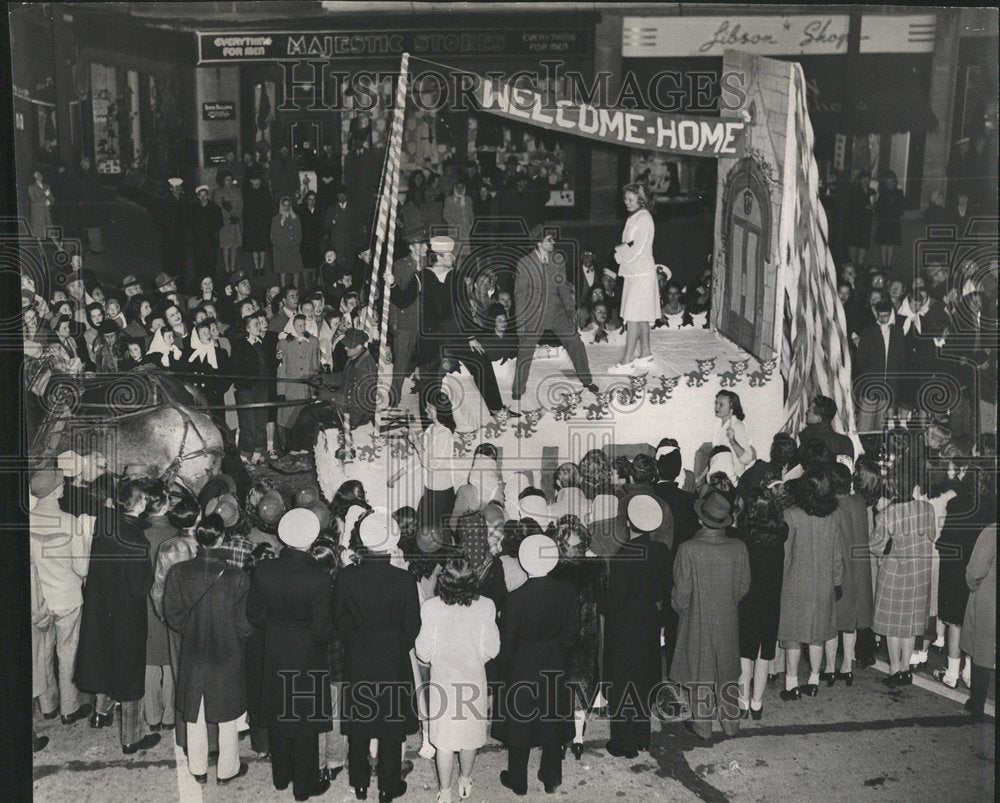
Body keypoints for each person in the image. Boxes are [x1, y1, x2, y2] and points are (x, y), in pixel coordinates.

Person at [334, 510, 421, 803]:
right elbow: (413, 627)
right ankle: (388, 785)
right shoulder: (404, 580)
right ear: (393, 540)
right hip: (392, 657)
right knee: (390, 724)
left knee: (359, 722)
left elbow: (340, 620)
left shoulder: (346, 577)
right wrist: (395, 643)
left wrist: (356, 641)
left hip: (358, 655)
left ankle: (359, 784)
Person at [248, 509, 335, 801]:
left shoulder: (264, 570)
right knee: (305, 722)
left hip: (274, 648)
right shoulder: (319, 578)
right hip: (307, 654)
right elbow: (323, 631)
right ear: (311, 539)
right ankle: (304, 786)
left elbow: (254, 613)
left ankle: (281, 777)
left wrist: (276, 626)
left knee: (278, 713)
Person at [164, 513, 253, 785]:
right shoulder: (237, 576)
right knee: (227, 716)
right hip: (227, 652)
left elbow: (172, 614)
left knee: (195, 711)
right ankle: (227, 770)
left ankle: (198, 767)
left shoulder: (178, 572)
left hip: (194, 649)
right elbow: (244, 624)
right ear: (222, 538)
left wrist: (192, 630)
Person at [74, 480, 161, 754]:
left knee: (105, 658)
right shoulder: (136, 540)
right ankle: (131, 739)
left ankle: (101, 713)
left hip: (101, 608)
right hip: (126, 615)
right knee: (129, 673)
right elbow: (139, 587)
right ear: (140, 504)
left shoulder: (105, 523)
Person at [495, 533, 579, 796]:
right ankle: (551, 777)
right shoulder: (568, 591)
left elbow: (507, 642)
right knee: (552, 719)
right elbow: (571, 634)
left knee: (520, 722)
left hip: (523, 663)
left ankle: (518, 780)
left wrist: (505, 667)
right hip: (555, 660)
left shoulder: (515, 598)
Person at [415, 558, 501, 803]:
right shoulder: (486, 606)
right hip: (474, 678)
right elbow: (493, 648)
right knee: (470, 735)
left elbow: (423, 652)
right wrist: (476, 658)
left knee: (443, 740)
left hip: (443, 681)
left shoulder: (431, 608)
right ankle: (465, 779)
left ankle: (444, 792)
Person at [672, 488, 750, 737]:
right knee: (727, 670)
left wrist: (679, 607)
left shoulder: (688, 549)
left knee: (700, 670)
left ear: (700, 519)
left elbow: (681, 593)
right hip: (728, 618)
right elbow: (743, 585)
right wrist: (727, 602)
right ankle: (731, 724)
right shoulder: (738, 547)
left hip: (697, 618)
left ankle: (702, 726)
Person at [599, 494, 670, 757]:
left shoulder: (623, 555)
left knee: (622, 683)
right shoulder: (661, 551)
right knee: (642, 680)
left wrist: (600, 598)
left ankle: (623, 743)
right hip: (649, 622)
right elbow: (663, 587)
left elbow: (613, 601)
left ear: (628, 522)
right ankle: (642, 736)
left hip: (624, 627)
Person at [29, 469, 94, 725]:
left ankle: (48, 705)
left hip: (39, 601)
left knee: (42, 653)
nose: (64, 486)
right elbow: (83, 568)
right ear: (55, 491)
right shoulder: (70, 522)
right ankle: (69, 708)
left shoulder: (25, 520)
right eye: (61, 484)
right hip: (67, 598)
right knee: (67, 653)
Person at [776, 470, 844, 701]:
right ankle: (814, 680)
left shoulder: (790, 515)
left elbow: (784, 554)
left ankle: (792, 684)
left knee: (793, 636)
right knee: (818, 634)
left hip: (795, 583)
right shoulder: (833, 515)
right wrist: (837, 581)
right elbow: (837, 553)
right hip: (824, 583)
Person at [511, 226, 597, 401]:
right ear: (539, 241)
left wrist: (569, 310)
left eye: (553, 239)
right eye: (550, 239)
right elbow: (520, 297)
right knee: (526, 350)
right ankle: (518, 389)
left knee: (575, 341)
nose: (553, 242)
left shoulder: (557, 260)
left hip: (556, 311)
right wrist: (521, 324)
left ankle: (587, 380)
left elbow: (563, 288)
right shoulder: (524, 264)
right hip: (534, 314)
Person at [869, 483, 938, 687]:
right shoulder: (928, 508)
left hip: (895, 574)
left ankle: (894, 670)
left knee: (892, 626)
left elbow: (875, 546)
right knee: (909, 625)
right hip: (919, 574)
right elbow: (932, 535)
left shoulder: (887, 514)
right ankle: (906, 669)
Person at [549, 516, 601, 760]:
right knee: (581, 686)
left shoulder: (552, 570)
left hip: (559, 638)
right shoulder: (595, 568)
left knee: (560, 688)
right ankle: (579, 739)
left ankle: (559, 740)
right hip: (586, 636)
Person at [734, 487, 786, 720]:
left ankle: (742, 702)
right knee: (765, 653)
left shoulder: (742, 534)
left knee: (745, 652)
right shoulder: (781, 531)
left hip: (747, 598)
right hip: (771, 599)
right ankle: (757, 704)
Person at [822, 463, 874, 687]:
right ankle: (847, 667)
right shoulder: (860, 502)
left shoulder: (832, 507)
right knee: (851, 620)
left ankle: (829, 668)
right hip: (860, 568)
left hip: (841, 567)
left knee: (833, 620)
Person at [140, 482, 177, 735]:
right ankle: (170, 716)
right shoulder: (177, 533)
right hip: (169, 605)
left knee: (149, 662)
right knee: (171, 661)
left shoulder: (137, 533)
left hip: (144, 606)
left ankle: (151, 716)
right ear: (165, 504)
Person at [610, 183, 659, 373]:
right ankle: (645, 354)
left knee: (632, 317)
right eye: (625, 199)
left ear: (641, 199)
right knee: (641, 316)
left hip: (641, 273)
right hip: (635, 272)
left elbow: (636, 248)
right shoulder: (635, 216)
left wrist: (618, 255)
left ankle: (626, 360)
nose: (626, 203)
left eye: (631, 199)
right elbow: (628, 243)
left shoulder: (644, 218)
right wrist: (621, 252)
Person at [960, 525, 996, 723]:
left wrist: (973, 587)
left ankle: (977, 703)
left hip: (990, 599)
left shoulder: (992, 531)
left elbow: (975, 571)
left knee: (982, 651)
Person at [388, 227, 427, 405]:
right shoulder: (401, 265)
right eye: (422, 244)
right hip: (405, 322)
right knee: (401, 364)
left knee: (426, 360)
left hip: (424, 323)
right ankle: (393, 398)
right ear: (412, 247)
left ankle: (421, 395)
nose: (426, 247)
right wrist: (393, 323)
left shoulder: (428, 264)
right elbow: (395, 298)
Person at [854, 300, 906, 431]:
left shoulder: (897, 332)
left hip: (889, 384)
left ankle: (876, 449)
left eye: (886, 315)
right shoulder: (869, 331)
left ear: (891, 314)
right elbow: (861, 358)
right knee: (865, 421)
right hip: (871, 383)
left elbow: (902, 358)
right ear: (876, 315)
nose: (883, 319)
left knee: (880, 423)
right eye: (880, 315)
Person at [230, 311, 270, 465]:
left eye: (260, 324)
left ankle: (257, 454)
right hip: (247, 391)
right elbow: (235, 368)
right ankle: (244, 455)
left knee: (261, 423)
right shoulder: (240, 345)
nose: (259, 327)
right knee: (249, 424)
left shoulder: (261, 344)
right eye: (255, 324)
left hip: (262, 389)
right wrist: (244, 386)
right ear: (247, 328)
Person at [798, 395, 854, 464]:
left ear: (819, 417)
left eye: (810, 410)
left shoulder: (809, 439)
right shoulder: (846, 442)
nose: (806, 412)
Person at [712, 390, 755, 478]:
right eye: (716, 403)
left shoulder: (738, 426)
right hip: (719, 479)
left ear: (732, 406)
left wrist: (733, 441)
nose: (716, 407)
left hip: (734, 480)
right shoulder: (718, 428)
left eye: (721, 404)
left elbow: (747, 459)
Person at [242, 167, 273, 276]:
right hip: (252, 222)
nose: (256, 182)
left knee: (263, 245)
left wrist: (267, 219)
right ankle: (256, 267)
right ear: (250, 181)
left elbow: (269, 206)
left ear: (260, 180)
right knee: (254, 246)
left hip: (263, 222)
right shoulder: (247, 192)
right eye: (253, 180)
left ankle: (262, 266)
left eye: (258, 180)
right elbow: (245, 208)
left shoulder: (265, 191)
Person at [192, 185, 224, 283]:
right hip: (198, 240)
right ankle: (200, 286)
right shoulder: (194, 208)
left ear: (208, 195)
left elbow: (220, 223)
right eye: (200, 196)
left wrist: (210, 229)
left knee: (211, 264)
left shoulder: (215, 208)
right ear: (197, 196)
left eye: (205, 195)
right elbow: (190, 223)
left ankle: (212, 286)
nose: (203, 198)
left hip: (210, 241)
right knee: (199, 265)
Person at [873, 171, 905, 270]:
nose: (890, 184)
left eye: (892, 181)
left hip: (894, 221)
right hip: (884, 221)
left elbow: (902, 206)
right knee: (883, 244)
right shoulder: (882, 193)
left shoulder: (899, 193)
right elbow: (878, 208)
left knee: (891, 244)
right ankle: (883, 264)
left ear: (895, 182)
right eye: (888, 182)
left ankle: (888, 263)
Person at [842, 170, 874, 269]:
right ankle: (852, 264)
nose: (866, 180)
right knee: (853, 242)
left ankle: (860, 264)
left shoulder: (871, 191)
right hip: (855, 221)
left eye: (868, 178)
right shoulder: (855, 190)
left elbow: (874, 203)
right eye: (863, 178)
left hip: (866, 221)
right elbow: (853, 206)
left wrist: (873, 206)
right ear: (860, 180)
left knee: (863, 243)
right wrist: (864, 207)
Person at [213, 171, 243, 275]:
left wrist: (237, 216)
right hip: (225, 222)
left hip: (235, 222)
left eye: (231, 179)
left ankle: (233, 268)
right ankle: (227, 269)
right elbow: (218, 207)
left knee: (234, 245)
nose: (229, 181)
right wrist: (229, 216)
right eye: (227, 179)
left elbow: (241, 204)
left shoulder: (237, 190)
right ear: (222, 180)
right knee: (226, 246)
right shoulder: (218, 191)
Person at [272, 196, 305, 287]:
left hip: (293, 247)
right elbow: (273, 236)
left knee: (296, 270)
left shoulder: (295, 218)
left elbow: (299, 233)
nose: (286, 207)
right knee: (283, 271)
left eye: (288, 205)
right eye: (284, 205)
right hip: (281, 248)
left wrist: (296, 242)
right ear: (281, 206)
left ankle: (295, 289)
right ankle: (283, 289)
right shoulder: (276, 219)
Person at [298, 190, 323, 288]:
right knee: (305, 265)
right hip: (304, 242)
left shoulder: (319, 212)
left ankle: (314, 287)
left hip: (315, 243)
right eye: (309, 199)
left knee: (314, 266)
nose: (311, 201)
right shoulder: (301, 212)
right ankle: (306, 287)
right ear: (306, 200)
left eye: (313, 199)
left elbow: (321, 227)